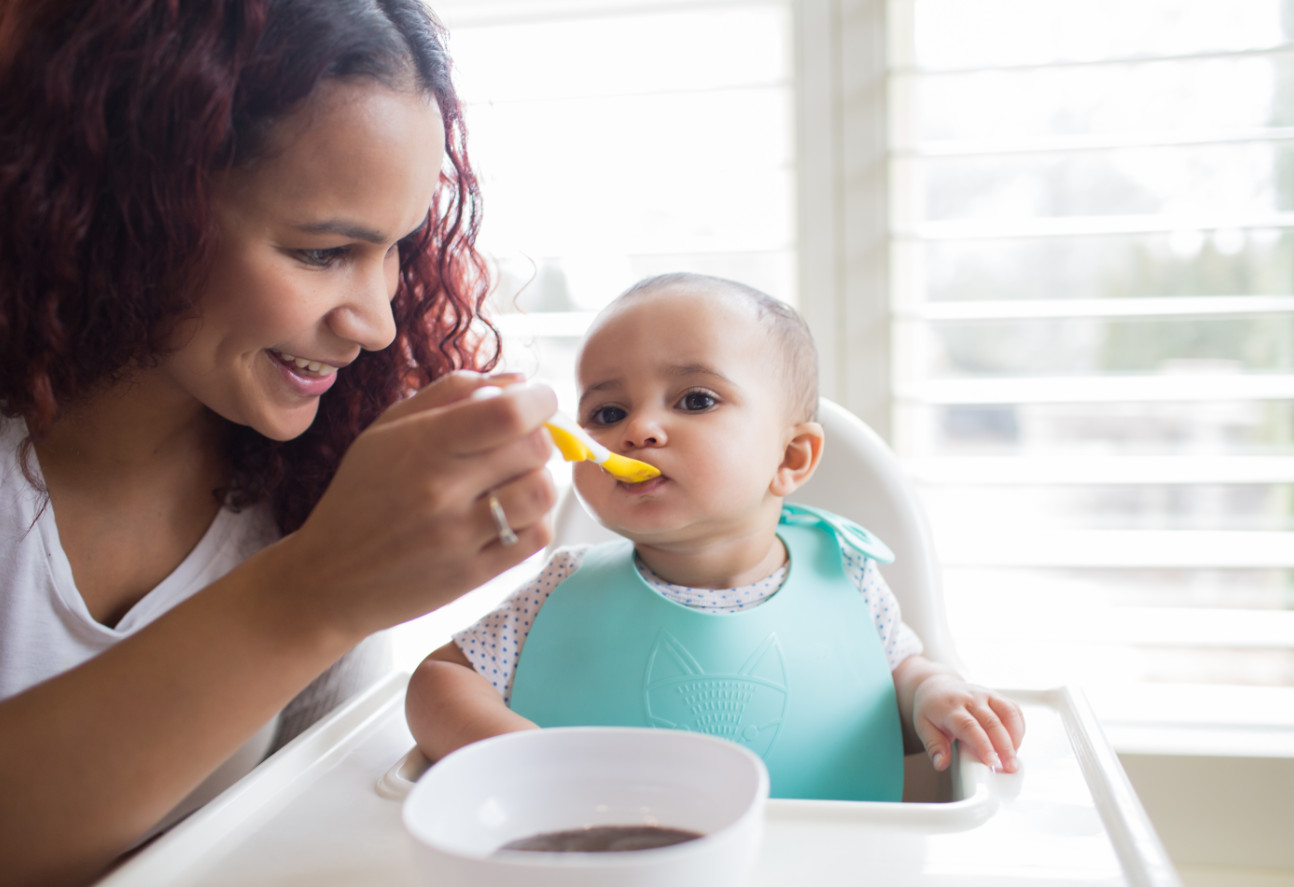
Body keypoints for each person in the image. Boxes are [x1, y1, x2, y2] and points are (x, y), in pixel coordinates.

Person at [0, 3, 560, 885]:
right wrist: (320, 587)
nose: (377, 323)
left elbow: (305, 824)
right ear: (137, 209)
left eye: (397, 250)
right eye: (323, 252)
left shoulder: (302, 480)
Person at [406, 272, 1025, 800]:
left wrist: (936, 695)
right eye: (608, 413)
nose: (639, 429)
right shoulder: (561, 589)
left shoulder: (846, 577)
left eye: (696, 400)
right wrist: (519, 756)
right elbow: (439, 682)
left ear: (791, 457)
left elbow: (895, 675)